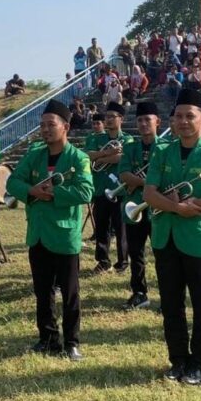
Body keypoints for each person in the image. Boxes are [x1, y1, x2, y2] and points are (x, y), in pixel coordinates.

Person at [144, 88, 201, 385]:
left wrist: (192, 205)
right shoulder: (161, 150)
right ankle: (178, 360)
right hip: (165, 237)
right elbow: (148, 193)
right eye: (178, 116)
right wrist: (176, 208)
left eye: (189, 116)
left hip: (198, 239)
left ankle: (199, 363)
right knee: (171, 304)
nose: (183, 121)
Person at [5, 99, 93, 360]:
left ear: (65, 126)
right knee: (42, 292)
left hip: (65, 236)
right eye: (42, 125)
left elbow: (87, 191)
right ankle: (47, 338)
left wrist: (54, 192)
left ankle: (72, 342)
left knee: (70, 293)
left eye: (50, 124)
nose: (45, 129)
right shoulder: (34, 154)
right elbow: (12, 181)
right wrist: (31, 191)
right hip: (38, 234)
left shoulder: (78, 158)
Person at [118, 101, 166, 310]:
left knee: (163, 254)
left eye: (148, 120)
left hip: (159, 210)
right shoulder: (130, 148)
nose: (144, 124)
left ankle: (168, 293)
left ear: (158, 122)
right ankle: (139, 292)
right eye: (140, 120)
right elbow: (124, 174)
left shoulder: (166, 148)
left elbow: (167, 177)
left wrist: (139, 182)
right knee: (135, 253)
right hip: (134, 207)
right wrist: (150, 182)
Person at [85, 101, 134, 273]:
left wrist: (101, 159)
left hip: (119, 189)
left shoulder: (127, 139)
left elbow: (121, 158)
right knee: (101, 227)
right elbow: (88, 155)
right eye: (107, 117)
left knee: (121, 228)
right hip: (100, 188)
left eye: (113, 117)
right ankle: (103, 261)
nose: (109, 120)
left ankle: (123, 262)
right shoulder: (96, 138)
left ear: (121, 119)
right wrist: (107, 153)